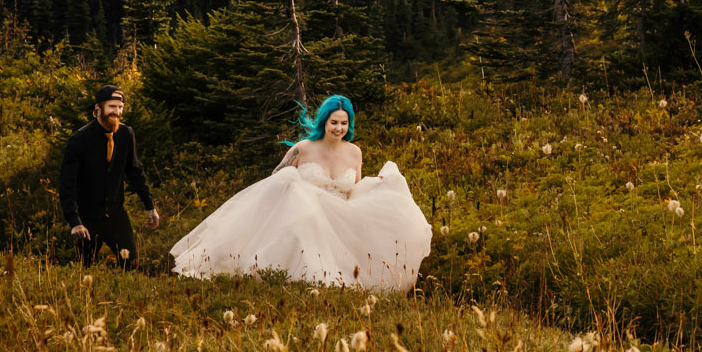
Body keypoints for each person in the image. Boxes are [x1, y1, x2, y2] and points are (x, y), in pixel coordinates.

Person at [170, 94, 431, 292]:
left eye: (343, 123)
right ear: (324, 121)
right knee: (304, 218)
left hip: (339, 216)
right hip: (304, 216)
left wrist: (380, 185)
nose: (338, 128)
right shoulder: (303, 149)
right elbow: (276, 178)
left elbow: (355, 187)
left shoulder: (354, 152)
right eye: (333, 122)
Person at [59, 84, 160, 267]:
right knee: (85, 267)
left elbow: (135, 171)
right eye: (112, 107)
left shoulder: (125, 134)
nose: (117, 112)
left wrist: (150, 206)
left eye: (120, 107)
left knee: (131, 264)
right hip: (88, 219)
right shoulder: (80, 139)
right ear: (98, 108)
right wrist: (75, 222)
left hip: (116, 215)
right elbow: (67, 183)